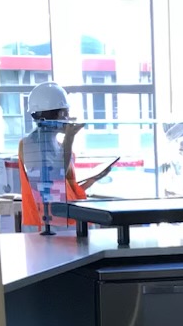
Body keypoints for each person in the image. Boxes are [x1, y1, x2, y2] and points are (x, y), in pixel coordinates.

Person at [17, 81, 114, 231]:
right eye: (65, 113)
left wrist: (93, 179)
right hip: (47, 227)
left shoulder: (58, 145)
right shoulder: (29, 144)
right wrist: (69, 138)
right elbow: (54, 177)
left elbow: (67, 188)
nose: (68, 118)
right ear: (56, 114)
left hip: (68, 222)